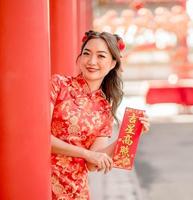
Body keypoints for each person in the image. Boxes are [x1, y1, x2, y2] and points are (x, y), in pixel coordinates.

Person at [50, 30, 150, 199]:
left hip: (76, 191)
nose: (92, 61)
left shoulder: (104, 109)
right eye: (86, 53)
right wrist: (86, 153)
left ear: (112, 64)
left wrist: (129, 136)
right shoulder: (58, 85)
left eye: (101, 56)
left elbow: (91, 163)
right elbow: (39, 138)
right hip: (43, 183)